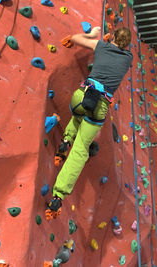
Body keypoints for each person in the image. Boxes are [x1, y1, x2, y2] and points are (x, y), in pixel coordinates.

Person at [45, 26, 133, 220]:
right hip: (100, 105)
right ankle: (58, 196)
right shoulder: (128, 59)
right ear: (126, 45)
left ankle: (65, 141)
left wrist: (93, 35)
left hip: (81, 96)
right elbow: (119, 51)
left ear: (112, 39)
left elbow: (75, 38)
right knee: (82, 148)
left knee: (79, 114)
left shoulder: (100, 46)